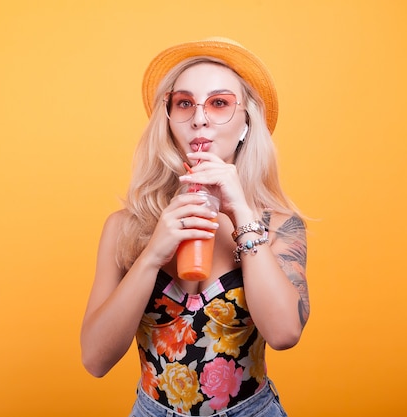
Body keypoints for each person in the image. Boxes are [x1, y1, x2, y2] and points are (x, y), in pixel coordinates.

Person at [80, 37, 310, 417]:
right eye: (184, 103)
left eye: (219, 103)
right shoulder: (126, 227)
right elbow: (95, 360)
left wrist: (240, 210)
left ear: (246, 123)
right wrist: (153, 253)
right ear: (169, 121)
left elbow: (285, 334)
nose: (199, 117)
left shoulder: (279, 225)